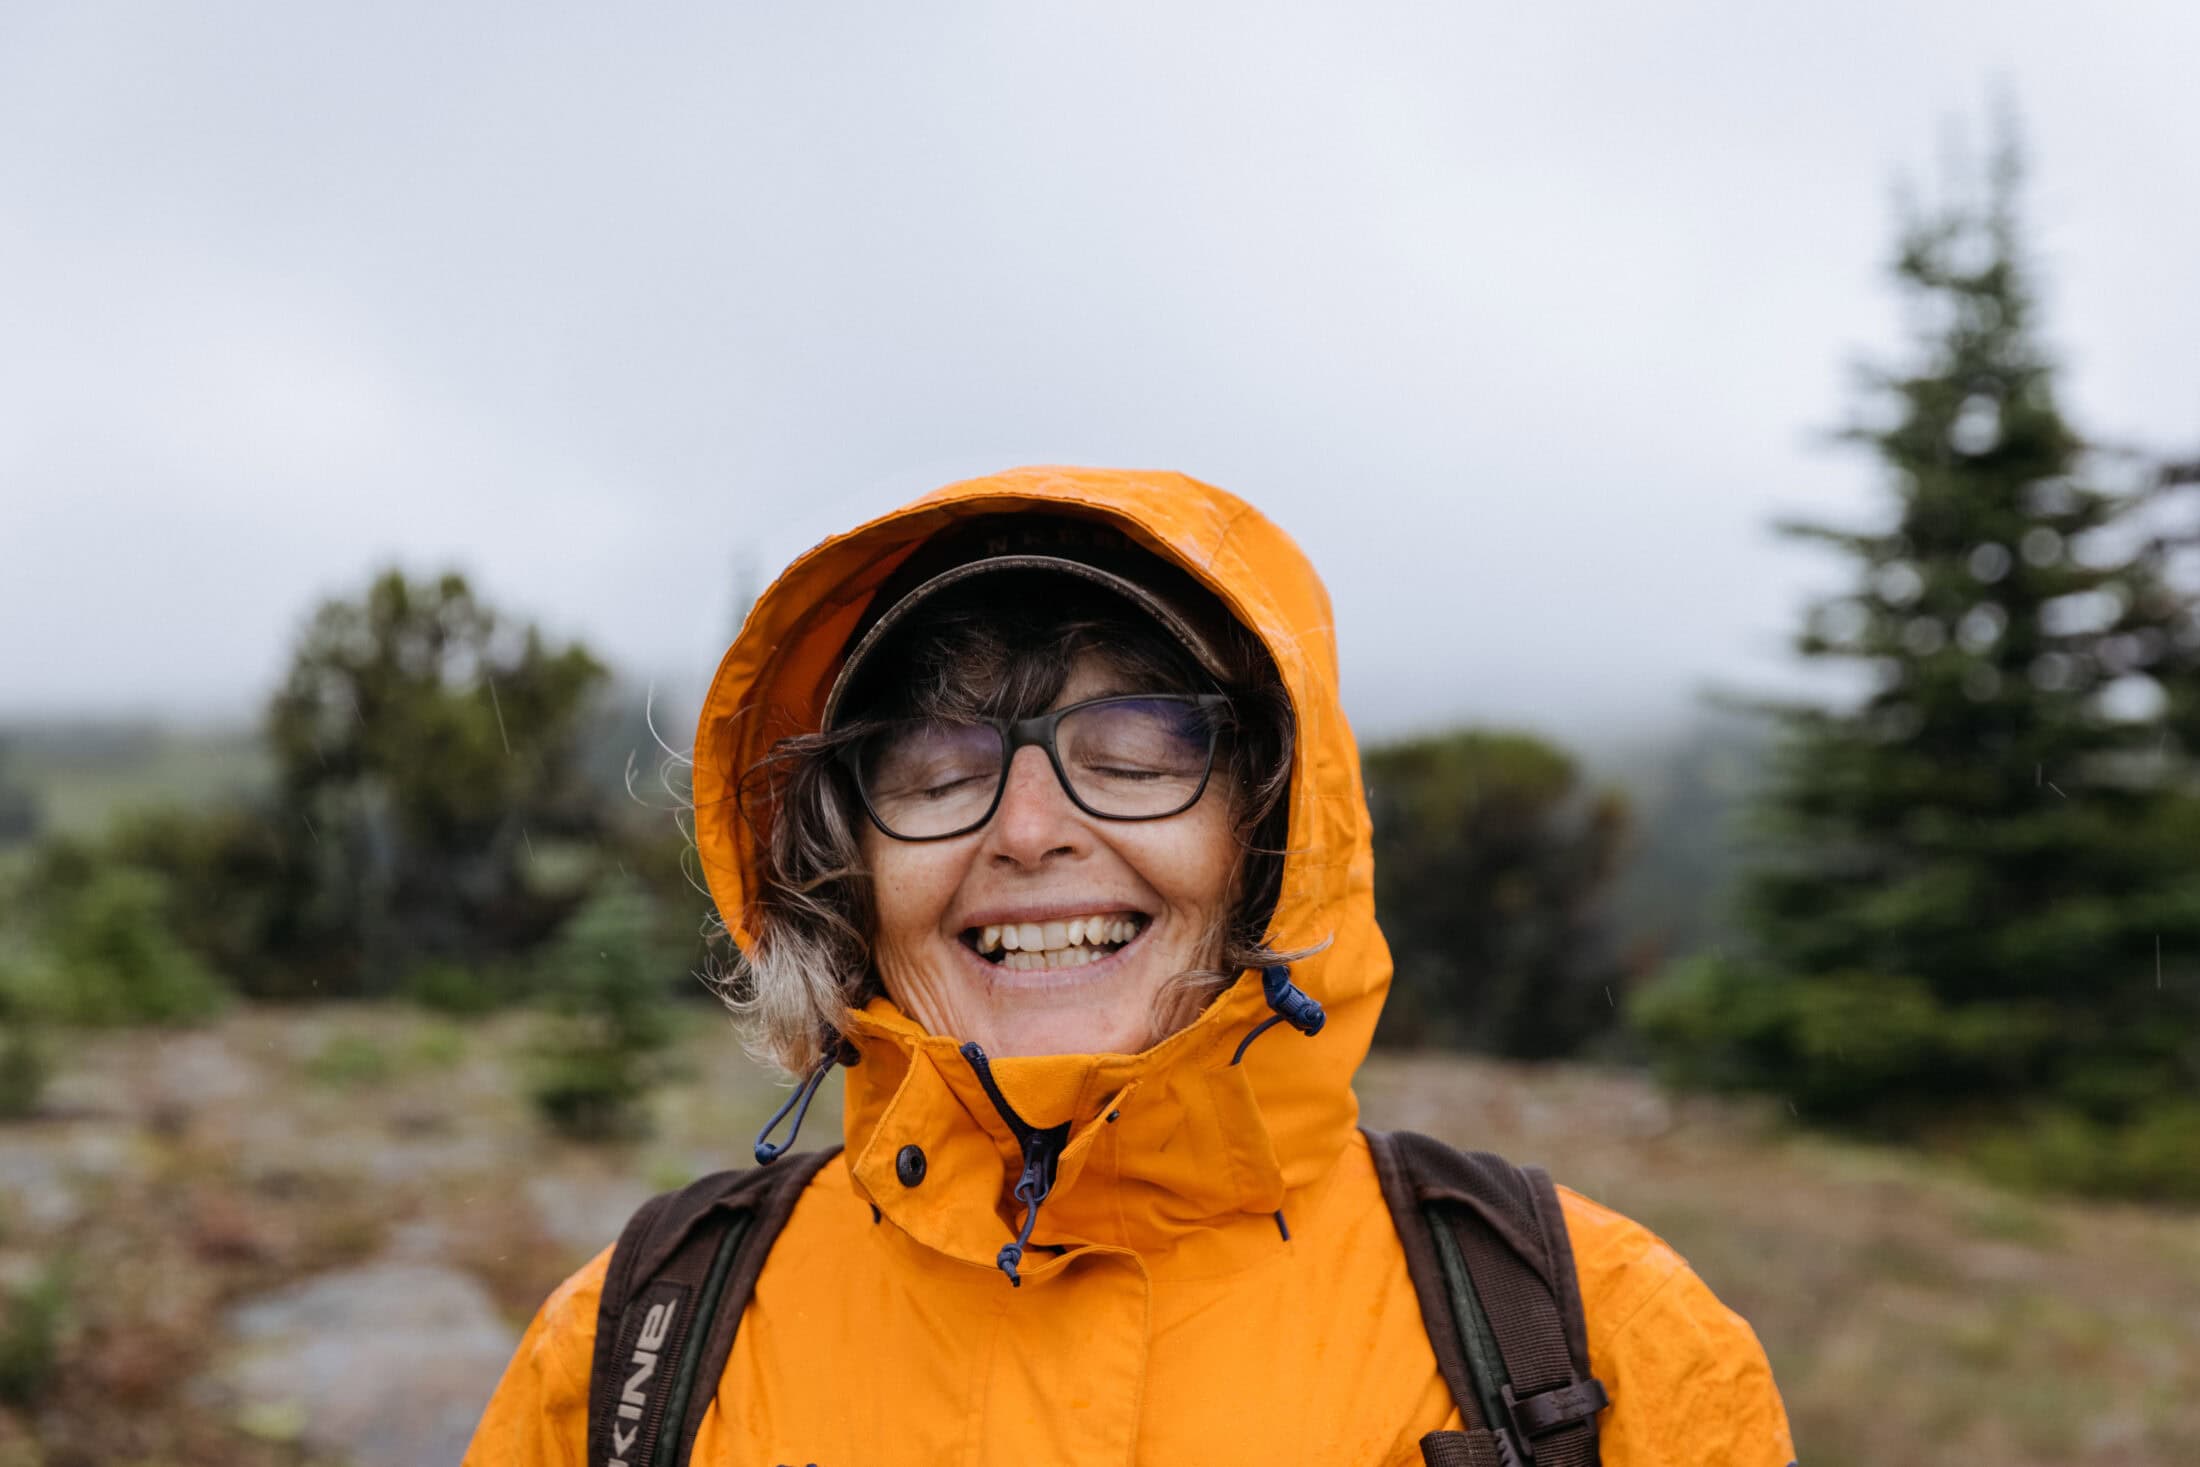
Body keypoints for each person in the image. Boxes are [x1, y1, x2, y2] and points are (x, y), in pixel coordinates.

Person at [465, 465, 1797, 1466]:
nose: (1030, 831)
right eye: (937, 768)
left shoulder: (1593, 1340)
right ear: (847, 864)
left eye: (1140, 749)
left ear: (1266, 833)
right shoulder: (631, 1349)